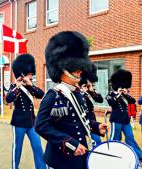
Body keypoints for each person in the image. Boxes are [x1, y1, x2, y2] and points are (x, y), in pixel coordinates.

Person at [34, 31, 108, 169]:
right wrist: (70, 144)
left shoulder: (77, 93)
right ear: (62, 68)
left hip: (80, 155)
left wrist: (96, 126)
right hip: (62, 158)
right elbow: (41, 126)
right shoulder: (53, 95)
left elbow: (81, 119)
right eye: (75, 67)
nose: (80, 70)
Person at [6, 54, 46, 169]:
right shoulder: (15, 86)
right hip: (18, 123)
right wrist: (18, 87)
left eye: (31, 74)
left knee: (38, 147)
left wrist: (30, 85)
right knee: (17, 148)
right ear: (22, 74)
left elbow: (41, 95)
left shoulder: (30, 86)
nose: (31, 75)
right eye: (29, 74)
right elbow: (9, 99)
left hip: (32, 122)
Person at [107, 69, 142, 162]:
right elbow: (112, 103)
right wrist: (118, 94)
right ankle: (110, 155)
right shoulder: (110, 94)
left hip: (125, 121)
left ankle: (140, 156)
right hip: (116, 120)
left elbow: (133, 101)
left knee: (130, 138)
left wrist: (126, 94)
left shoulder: (124, 95)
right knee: (115, 138)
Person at [79, 64, 103, 145]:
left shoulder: (89, 91)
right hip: (82, 121)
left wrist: (91, 90)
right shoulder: (79, 92)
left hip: (91, 121)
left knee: (97, 141)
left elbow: (100, 100)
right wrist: (82, 90)